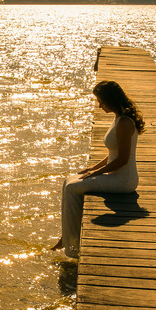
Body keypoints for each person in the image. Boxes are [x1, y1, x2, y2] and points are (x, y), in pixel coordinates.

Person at [52, 80, 145, 258]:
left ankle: (72, 244)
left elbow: (123, 159)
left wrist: (96, 173)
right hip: (115, 175)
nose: (99, 105)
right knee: (68, 181)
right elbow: (113, 153)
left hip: (124, 180)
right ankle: (67, 235)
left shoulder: (125, 122)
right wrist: (92, 168)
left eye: (101, 101)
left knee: (73, 188)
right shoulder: (118, 118)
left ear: (111, 99)